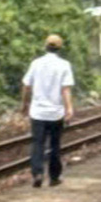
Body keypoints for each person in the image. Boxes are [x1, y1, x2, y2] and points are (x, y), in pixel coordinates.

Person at [21, 34, 75, 188]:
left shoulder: (36, 63)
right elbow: (65, 89)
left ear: (45, 46)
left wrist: (25, 104)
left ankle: (37, 173)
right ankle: (54, 176)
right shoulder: (64, 65)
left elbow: (26, 85)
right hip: (56, 112)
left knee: (38, 143)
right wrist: (69, 108)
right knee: (55, 145)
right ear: (60, 48)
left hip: (37, 112)